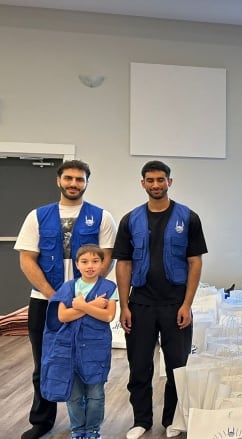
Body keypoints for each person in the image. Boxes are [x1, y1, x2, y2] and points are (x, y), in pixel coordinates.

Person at [14, 159, 117, 439]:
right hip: (44, 301)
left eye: (80, 179)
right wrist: (57, 296)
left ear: (86, 183)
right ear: (58, 180)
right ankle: (42, 421)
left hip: (89, 303)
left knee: (87, 360)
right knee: (46, 360)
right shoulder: (37, 216)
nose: (74, 184)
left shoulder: (102, 217)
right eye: (69, 178)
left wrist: (88, 294)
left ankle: (87, 424)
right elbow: (27, 260)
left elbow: (106, 258)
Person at [114, 160, 208, 439]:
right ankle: (141, 420)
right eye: (150, 180)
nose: (156, 185)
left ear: (170, 182)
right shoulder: (130, 219)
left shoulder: (188, 217)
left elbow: (195, 262)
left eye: (161, 180)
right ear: (142, 183)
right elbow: (123, 264)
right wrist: (124, 305)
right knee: (139, 365)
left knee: (177, 366)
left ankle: (171, 421)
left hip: (175, 304)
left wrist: (187, 304)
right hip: (140, 304)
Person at [41, 245, 118, 439]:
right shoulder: (68, 287)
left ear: (102, 264)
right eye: (84, 262)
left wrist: (82, 305)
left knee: (95, 394)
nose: (90, 266)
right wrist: (92, 306)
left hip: (96, 348)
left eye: (95, 261)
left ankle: (92, 429)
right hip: (69, 349)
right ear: (77, 264)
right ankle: (77, 429)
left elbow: (108, 315)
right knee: (74, 395)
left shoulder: (109, 288)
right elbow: (63, 316)